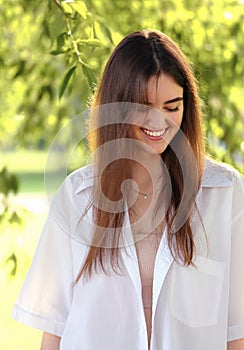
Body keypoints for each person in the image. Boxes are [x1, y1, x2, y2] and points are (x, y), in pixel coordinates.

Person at [13, 30, 244, 350]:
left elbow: (236, 330)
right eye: (144, 106)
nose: (159, 121)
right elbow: (54, 330)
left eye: (171, 107)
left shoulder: (225, 193)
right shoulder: (77, 196)